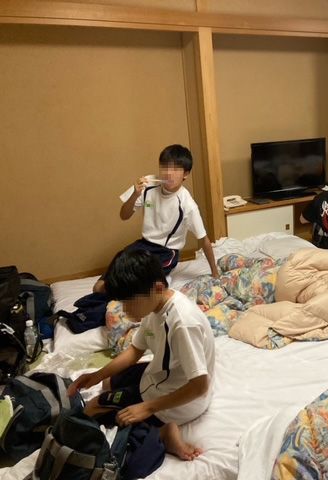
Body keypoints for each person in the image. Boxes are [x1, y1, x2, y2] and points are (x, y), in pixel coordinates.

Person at [68, 249, 215, 461]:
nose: (126, 310)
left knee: (93, 408)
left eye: (130, 303)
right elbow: (135, 351)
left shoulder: (182, 323)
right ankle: (147, 414)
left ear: (157, 288)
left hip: (180, 399)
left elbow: (200, 386)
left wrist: (147, 408)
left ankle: (164, 433)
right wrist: (96, 376)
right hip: (163, 376)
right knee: (107, 383)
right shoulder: (157, 304)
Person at [94, 144, 218, 293]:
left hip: (166, 252)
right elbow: (124, 216)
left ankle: (158, 281)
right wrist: (135, 195)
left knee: (134, 284)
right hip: (143, 245)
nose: (168, 173)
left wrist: (215, 272)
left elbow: (204, 240)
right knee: (99, 287)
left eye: (175, 169)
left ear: (185, 174)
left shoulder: (187, 204)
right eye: (164, 167)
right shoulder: (148, 184)